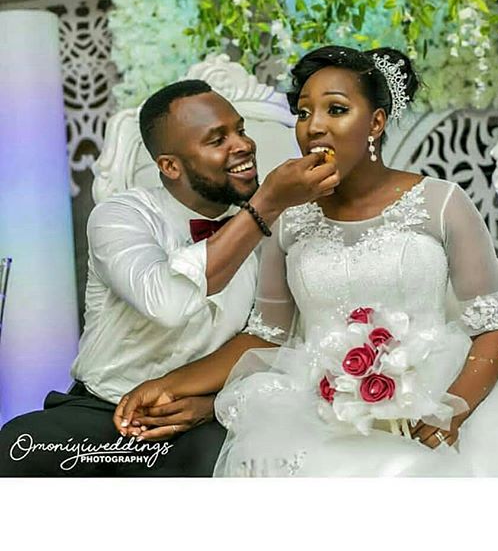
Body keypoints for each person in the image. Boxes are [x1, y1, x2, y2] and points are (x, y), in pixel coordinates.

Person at [115, 48, 498, 477]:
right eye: (304, 113)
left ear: (375, 123)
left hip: (434, 393)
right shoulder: (287, 220)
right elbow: (265, 335)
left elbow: (493, 326)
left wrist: (451, 412)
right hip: (318, 404)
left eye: (336, 110)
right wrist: (166, 383)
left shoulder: (441, 201)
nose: (315, 126)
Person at [0, 79, 339, 476]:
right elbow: (167, 303)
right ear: (170, 166)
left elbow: (270, 339)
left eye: (240, 130)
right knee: (16, 448)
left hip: (201, 418)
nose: (243, 145)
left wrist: (212, 403)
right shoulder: (120, 216)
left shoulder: (282, 229)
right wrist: (266, 204)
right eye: (217, 140)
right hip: (98, 415)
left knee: (235, 467)